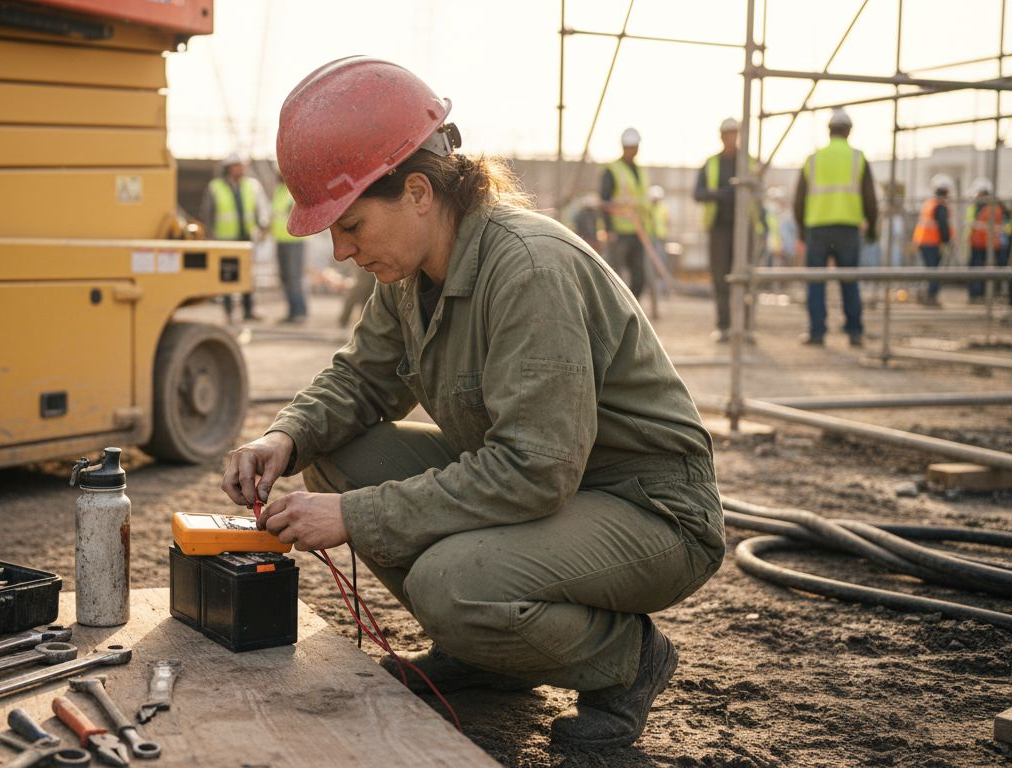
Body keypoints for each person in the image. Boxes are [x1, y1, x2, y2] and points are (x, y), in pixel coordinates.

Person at [221, 57, 724, 750]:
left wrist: (355, 516)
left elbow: (535, 470)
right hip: (556, 488)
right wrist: (284, 437)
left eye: (351, 225)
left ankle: (627, 662)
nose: (339, 252)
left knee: (453, 585)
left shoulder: (528, 269)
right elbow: (363, 379)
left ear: (419, 192)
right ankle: (488, 658)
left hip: (649, 509)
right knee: (333, 454)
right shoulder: (409, 271)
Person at [792, 108, 878, 346]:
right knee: (849, 281)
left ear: (829, 132)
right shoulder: (857, 158)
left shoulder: (814, 159)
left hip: (817, 229)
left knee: (816, 283)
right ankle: (854, 331)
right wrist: (871, 227)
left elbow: (798, 200)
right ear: (849, 132)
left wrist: (801, 231)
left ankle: (817, 332)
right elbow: (870, 198)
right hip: (848, 229)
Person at [694, 117, 748, 343]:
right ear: (721, 136)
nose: (731, 138)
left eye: (734, 133)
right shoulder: (711, 163)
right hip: (719, 228)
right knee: (720, 277)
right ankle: (724, 325)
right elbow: (698, 193)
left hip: (744, 228)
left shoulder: (749, 162)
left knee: (744, 277)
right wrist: (720, 194)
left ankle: (743, 326)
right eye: (728, 134)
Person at [200, 153, 266, 322]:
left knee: (247, 276)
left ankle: (248, 311)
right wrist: (211, 236)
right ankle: (229, 312)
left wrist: (260, 229)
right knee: (228, 276)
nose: (240, 169)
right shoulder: (215, 187)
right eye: (236, 166)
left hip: (246, 238)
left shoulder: (251, 186)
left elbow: (259, 211)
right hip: (225, 240)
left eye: (241, 165)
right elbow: (207, 214)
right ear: (229, 168)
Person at [600, 127, 653, 301]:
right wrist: (609, 229)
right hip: (619, 232)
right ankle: (614, 310)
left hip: (638, 231)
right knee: (615, 275)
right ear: (623, 147)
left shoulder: (641, 171)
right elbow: (604, 201)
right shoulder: (612, 170)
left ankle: (631, 308)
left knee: (639, 277)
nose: (632, 150)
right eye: (629, 146)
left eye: (634, 146)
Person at [271, 168, 309, 323]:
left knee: (294, 276)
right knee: (285, 277)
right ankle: (293, 311)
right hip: (281, 240)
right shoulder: (279, 191)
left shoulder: (294, 192)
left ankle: (298, 312)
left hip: (294, 241)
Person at [911, 174, 953, 308]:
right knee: (934, 271)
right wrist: (946, 241)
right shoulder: (940, 205)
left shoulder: (930, 203)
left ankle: (924, 294)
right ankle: (931, 297)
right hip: (933, 242)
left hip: (923, 241)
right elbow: (942, 225)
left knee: (928, 269)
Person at [965, 177, 1007, 303]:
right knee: (977, 270)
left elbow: (1000, 225)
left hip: (988, 244)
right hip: (978, 243)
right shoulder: (978, 205)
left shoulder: (993, 206)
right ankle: (976, 295)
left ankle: (980, 295)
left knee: (983, 270)